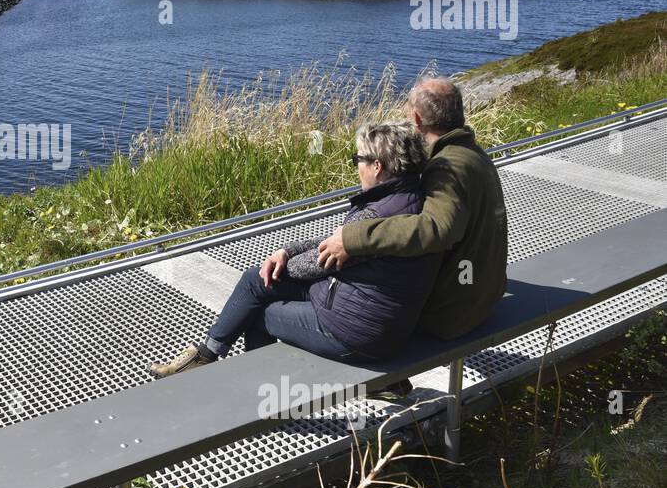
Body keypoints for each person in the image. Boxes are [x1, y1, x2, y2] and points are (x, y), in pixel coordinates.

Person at [150, 121, 441, 386]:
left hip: (355, 332)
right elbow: (334, 242)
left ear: (377, 166)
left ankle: (267, 394)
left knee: (260, 311)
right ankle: (207, 354)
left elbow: (318, 263)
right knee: (255, 280)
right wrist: (287, 251)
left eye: (358, 160)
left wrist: (283, 263)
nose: (356, 167)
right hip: (370, 313)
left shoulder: (376, 214)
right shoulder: (411, 198)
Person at [317, 76, 507, 339]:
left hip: (451, 314)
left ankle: (385, 378)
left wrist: (355, 237)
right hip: (482, 295)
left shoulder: (446, 166)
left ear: (416, 119)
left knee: (355, 301)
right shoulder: (473, 153)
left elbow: (437, 229)